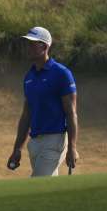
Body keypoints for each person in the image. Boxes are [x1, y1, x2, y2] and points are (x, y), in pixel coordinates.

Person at [7, 27, 79, 177]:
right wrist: (17, 149)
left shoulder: (61, 74)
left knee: (37, 184)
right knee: (49, 189)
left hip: (55, 140)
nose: (29, 47)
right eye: (28, 43)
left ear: (45, 47)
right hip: (34, 144)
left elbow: (71, 113)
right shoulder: (29, 77)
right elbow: (27, 115)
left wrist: (72, 147)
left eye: (33, 44)